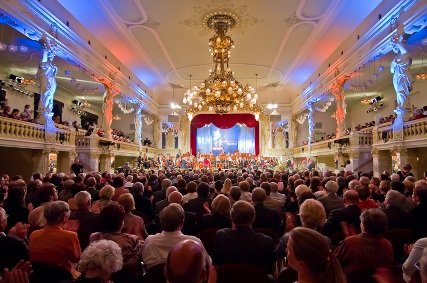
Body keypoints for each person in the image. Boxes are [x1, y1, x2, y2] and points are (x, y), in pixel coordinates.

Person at [390, 32, 413, 110]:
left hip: (403, 76)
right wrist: (394, 63)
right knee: (398, 92)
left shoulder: (406, 55)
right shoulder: (395, 59)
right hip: (396, 77)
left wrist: (398, 42)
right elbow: (392, 70)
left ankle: (403, 107)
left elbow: (405, 53)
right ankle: (400, 106)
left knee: (401, 91)